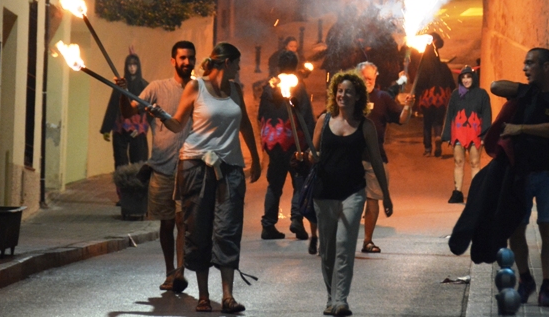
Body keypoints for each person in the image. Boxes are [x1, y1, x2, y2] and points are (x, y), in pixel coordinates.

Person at [150, 42, 261, 314]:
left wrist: (256, 159)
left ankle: (228, 296)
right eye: (237, 62)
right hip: (196, 165)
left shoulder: (236, 90)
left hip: (230, 168)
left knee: (227, 230)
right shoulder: (196, 87)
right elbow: (178, 123)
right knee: (198, 230)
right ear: (225, 62)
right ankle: (202, 294)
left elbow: (244, 123)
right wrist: (161, 115)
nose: (239, 67)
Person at [491, 48, 549, 308]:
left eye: (531, 64)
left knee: (548, 229)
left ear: (547, 67)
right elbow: (495, 86)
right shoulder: (527, 93)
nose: (525, 68)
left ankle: (547, 288)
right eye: (524, 63)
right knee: (515, 229)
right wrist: (523, 87)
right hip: (522, 174)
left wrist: (521, 128)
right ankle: (526, 278)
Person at [310, 71, 392, 316]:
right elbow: (312, 155)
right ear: (334, 94)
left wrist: (386, 195)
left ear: (358, 97)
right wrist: (302, 158)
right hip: (324, 193)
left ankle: (341, 300)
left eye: (349, 92)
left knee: (345, 246)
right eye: (340, 91)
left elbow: (376, 161)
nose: (343, 95)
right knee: (328, 251)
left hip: (353, 192)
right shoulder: (323, 121)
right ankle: (330, 297)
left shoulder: (365, 126)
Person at [119, 42, 195, 292]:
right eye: (182, 57)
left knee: (183, 221)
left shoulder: (199, 90)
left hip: (189, 167)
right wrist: (123, 92)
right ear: (173, 60)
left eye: (190, 58)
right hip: (162, 168)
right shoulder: (157, 88)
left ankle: (181, 272)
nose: (187, 62)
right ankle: (170, 271)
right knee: (167, 223)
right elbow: (129, 112)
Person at [258, 50, 318, 254]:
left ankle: (268, 224)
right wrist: (311, 142)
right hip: (293, 141)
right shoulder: (297, 85)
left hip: (273, 140)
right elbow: (306, 115)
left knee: (274, 183)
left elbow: (261, 114)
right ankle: (296, 219)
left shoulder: (269, 85)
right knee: (299, 180)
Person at [355, 61, 413, 253]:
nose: (368, 81)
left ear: (376, 78)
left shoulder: (383, 97)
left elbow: (402, 120)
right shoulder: (349, 96)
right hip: (350, 158)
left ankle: (367, 241)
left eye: (371, 77)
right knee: (349, 202)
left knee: (373, 199)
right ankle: (342, 240)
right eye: (364, 77)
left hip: (375, 158)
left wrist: (407, 106)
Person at [442, 66, 492, 204]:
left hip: (475, 133)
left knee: (475, 163)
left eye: (468, 77)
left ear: (473, 78)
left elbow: (487, 115)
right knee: (458, 162)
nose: (465, 80)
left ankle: (475, 193)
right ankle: (457, 192)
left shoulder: (482, 94)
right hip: (458, 133)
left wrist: (484, 136)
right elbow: (449, 115)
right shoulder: (455, 94)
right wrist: (447, 135)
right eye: (463, 77)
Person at [101, 54, 149, 168]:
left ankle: (137, 185)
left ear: (138, 67)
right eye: (129, 65)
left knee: (139, 161)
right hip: (120, 127)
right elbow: (113, 104)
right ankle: (122, 185)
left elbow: (148, 108)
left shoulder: (144, 85)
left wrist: (145, 127)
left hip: (138, 128)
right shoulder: (121, 84)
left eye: (134, 65)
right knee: (120, 161)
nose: (132, 67)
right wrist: (106, 128)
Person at [414, 34, 455, 157]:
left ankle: (427, 149)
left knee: (427, 123)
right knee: (438, 121)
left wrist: (417, 98)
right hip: (442, 97)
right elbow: (452, 83)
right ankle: (438, 136)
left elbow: (420, 83)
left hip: (428, 98)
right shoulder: (443, 66)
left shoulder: (424, 67)